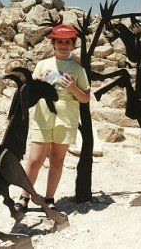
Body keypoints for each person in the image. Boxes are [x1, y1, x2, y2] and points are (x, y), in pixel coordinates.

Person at [15, 24, 90, 212]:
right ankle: (24, 196)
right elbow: (31, 90)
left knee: (57, 160)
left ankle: (49, 198)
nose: (63, 45)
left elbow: (85, 98)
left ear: (73, 45)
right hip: (43, 117)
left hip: (66, 119)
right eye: (59, 42)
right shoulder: (42, 65)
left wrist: (72, 87)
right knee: (35, 159)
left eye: (67, 42)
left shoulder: (79, 70)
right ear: (53, 44)